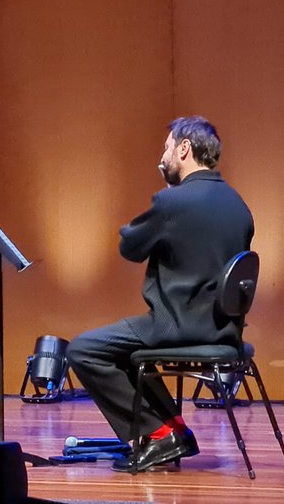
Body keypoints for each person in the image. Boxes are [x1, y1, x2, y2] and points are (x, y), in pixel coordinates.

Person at [67, 115, 254, 472]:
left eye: (167, 147)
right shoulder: (237, 203)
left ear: (184, 149)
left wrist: (167, 198)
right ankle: (172, 431)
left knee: (83, 349)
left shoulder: (173, 204)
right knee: (124, 352)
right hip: (224, 329)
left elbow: (130, 246)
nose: (163, 154)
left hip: (176, 325)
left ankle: (159, 433)